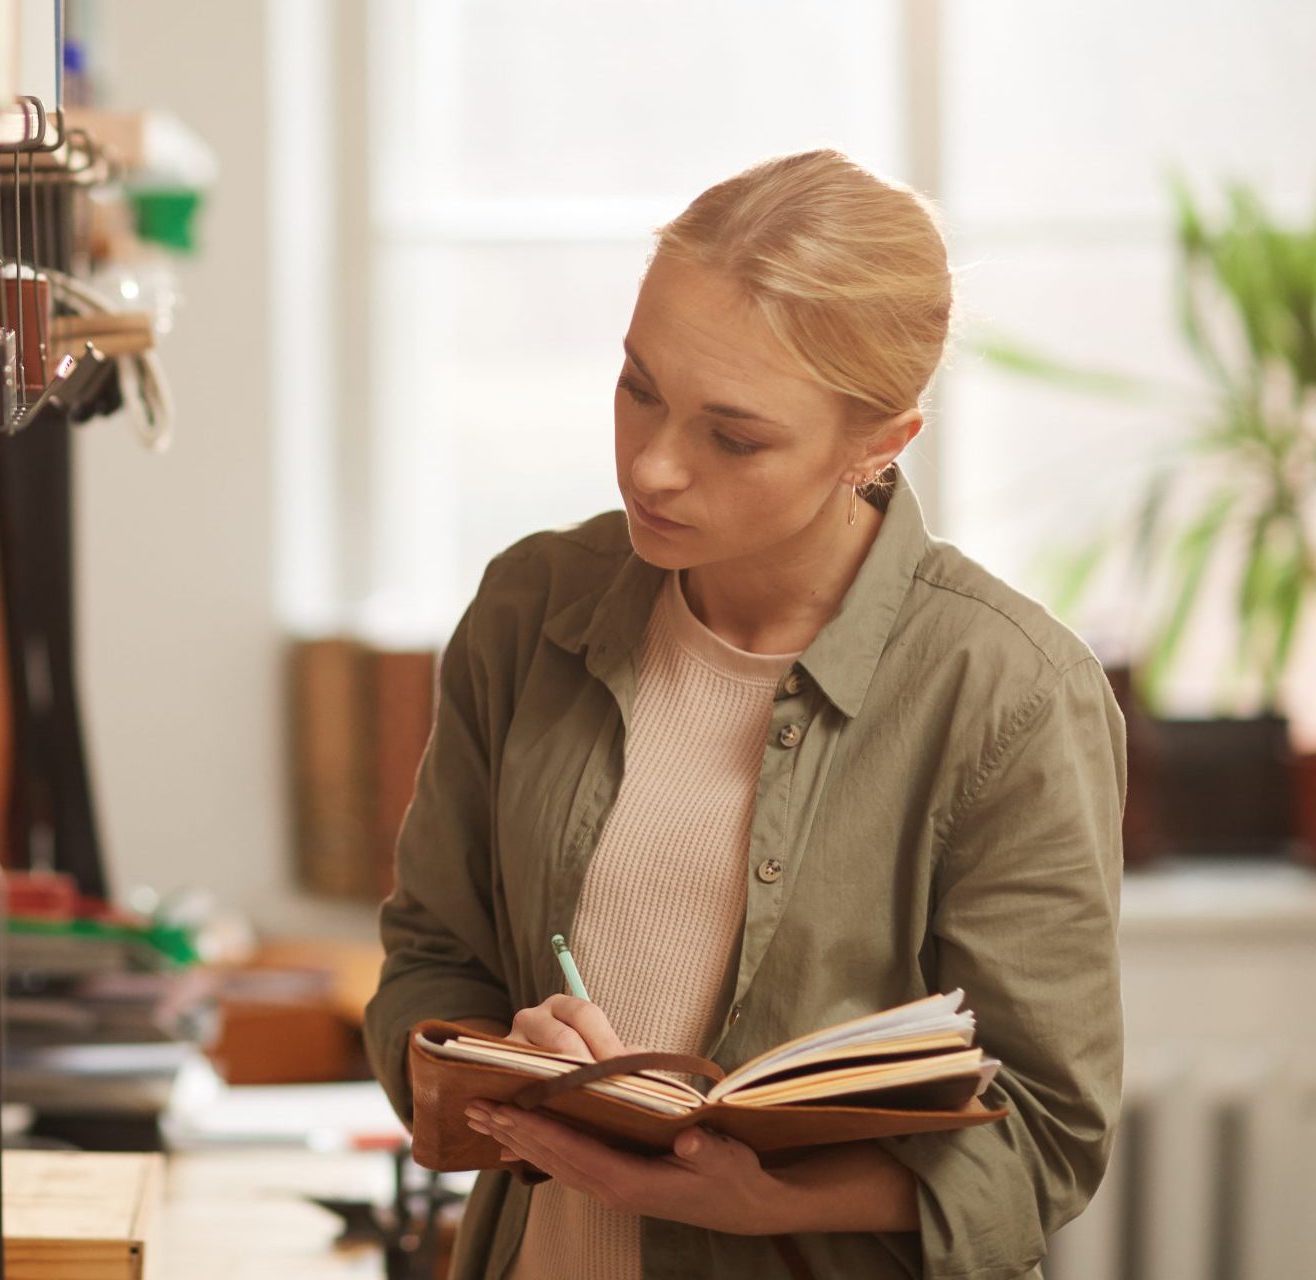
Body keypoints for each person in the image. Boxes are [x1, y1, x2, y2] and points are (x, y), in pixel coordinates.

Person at [362, 149, 1125, 1279]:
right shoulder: (530, 608)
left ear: (879, 443)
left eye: (734, 436)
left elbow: (1048, 1136)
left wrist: (761, 1200)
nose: (654, 466)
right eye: (637, 386)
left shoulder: (1007, 692)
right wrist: (493, 1055)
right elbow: (429, 962)